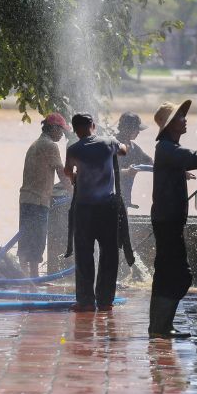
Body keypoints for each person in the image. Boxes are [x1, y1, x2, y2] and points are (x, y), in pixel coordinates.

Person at [64, 112, 128, 313]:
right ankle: (105, 301)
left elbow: (68, 171)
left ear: (75, 130)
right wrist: (115, 146)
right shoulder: (109, 142)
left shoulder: (73, 149)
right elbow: (124, 151)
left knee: (84, 254)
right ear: (92, 125)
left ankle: (85, 302)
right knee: (109, 253)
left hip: (84, 209)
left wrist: (75, 175)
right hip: (107, 208)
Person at [148, 100, 197, 339]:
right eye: (180, 117)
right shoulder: (167, 149)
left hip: (168, 220)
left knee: (166, 273)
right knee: (180, 275)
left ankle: (160, 326)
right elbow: (194, 158)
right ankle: (160, 326)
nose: (185, 120)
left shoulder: (169, 149)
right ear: (169, 125)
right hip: (167, 221)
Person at [18, 113, 69, 278]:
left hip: (27, 198)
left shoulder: (36, 144)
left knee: (26, 237)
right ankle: (33, 278)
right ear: (53, 128)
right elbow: (61, 172)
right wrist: (73, 192)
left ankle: (26, 277)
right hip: (38, 200)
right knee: (37, 239)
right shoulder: (50, 146)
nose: (62, 134)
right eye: (61, 130)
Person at [116, 112, 153, 209]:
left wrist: (176, 171)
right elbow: (107, 172)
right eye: (137, 129)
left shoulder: (133, 147)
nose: (138, 132)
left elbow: (150, 162)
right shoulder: (115, 144)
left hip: (124, 199)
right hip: (110, 198)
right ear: (128, 129)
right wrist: (127, 171)